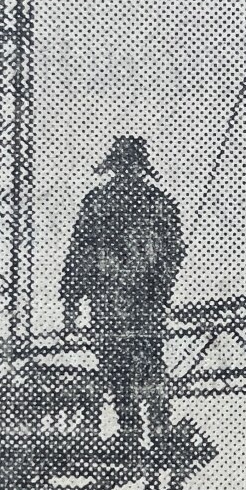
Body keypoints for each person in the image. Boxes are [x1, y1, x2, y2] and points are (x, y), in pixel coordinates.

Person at [60, 135, 186, 445]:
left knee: (145, 362)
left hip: (140, 299)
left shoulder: (156, 204)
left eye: (130, 166)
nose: (127, 171)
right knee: (118, 366)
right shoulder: (100, 203)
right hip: (111, 299)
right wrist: (71, 303)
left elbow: (173, 251)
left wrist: (160, 282)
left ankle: (157, 429)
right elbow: (79, 253)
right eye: (123, 165)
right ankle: (133, 432)